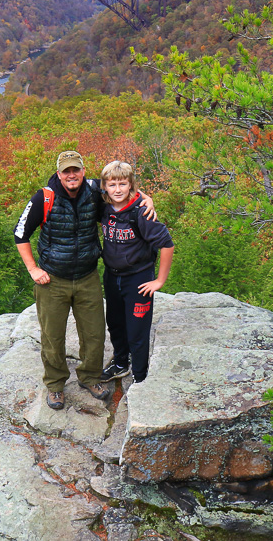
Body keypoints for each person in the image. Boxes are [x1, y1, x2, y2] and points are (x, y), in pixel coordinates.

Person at [14, 151, 154, 411]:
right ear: (59, 173)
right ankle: (55, 385)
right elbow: (20, 233)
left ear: (82, 171)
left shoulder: (93, 190)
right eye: (66, 171)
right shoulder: (44, 197)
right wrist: (33, 269)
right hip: (52, 280)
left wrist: (147, 199)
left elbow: (122, 195)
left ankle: (89, 377)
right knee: (53, 337)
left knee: (94, 334)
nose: (71, 175)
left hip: (88, 275)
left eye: (75, 170)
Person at [97, 160, 174, 386]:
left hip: (138, 279)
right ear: (105, 187)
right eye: (112, 185)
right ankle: (121, 363)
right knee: (115, 323)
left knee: (137, 332)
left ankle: (140, 379)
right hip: (112, 276)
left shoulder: (141, 213)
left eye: (123, 184)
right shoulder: (104, 207)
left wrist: (159, 281)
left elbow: (167, 244)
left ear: (131, 186)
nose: (117, 190)